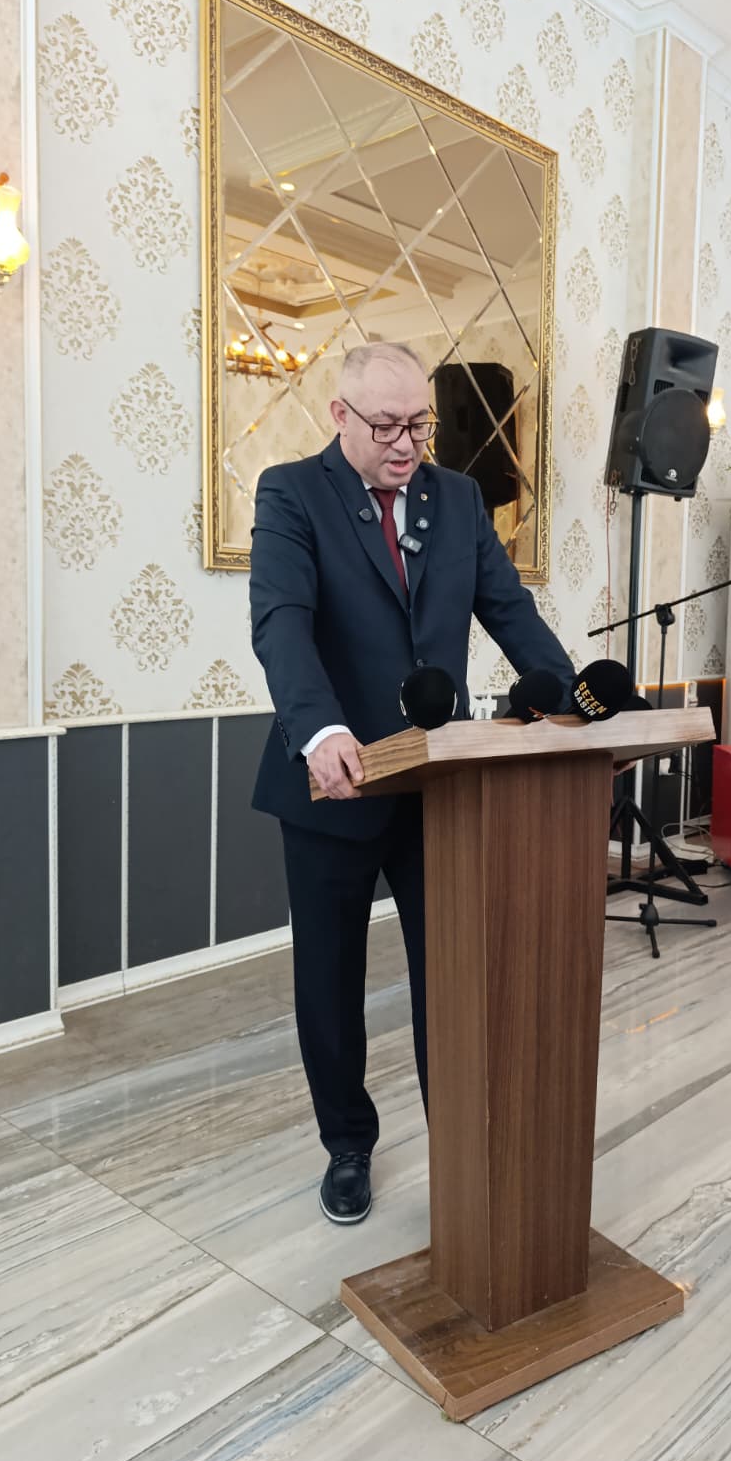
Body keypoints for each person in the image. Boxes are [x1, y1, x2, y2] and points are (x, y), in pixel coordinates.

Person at [250, 341, 574, 1224]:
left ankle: (460, 1136)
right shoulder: (292, 492)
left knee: (454, 972)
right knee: (330, 981)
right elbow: (281, 622)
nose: (406, 444)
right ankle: (347, 1146)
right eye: (387, 426)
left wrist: (568, 694)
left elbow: (508, 609)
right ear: (340, 416)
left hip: (440, 782)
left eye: (420, 425)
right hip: (337, 781)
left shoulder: (458, 498)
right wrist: (319, 730)